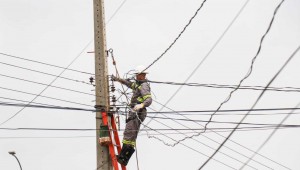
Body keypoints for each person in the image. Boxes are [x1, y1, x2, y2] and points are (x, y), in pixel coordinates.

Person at [111, 65, 152, 166]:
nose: (136, 77)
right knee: (131, 136)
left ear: (142, 75)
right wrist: (118, 79)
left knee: (129, 134)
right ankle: (124, 158)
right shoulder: (138, 84)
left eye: (138, 75)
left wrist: (141, 105)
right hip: (137, 112)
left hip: (138, 112)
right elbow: (129, 84)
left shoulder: (144, 85)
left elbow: (149, 99)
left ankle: (123, 158)